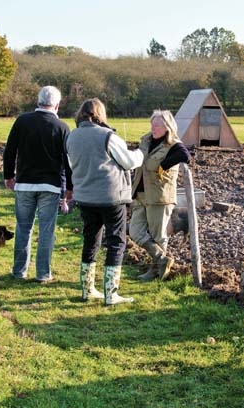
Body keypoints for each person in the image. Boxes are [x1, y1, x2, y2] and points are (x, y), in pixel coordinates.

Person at [65, 98, 143, 305]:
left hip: (85, 198)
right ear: (100, 114)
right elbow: (129, 162)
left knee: (91, 241)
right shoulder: (108, 136)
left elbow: (73, 164)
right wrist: (140, 153)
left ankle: (87, 289)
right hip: (111, 197)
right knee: (116, 242)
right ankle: (111, 293)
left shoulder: (72, 137)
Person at [3, 85, 72, 283]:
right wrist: (69, 188)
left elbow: (10, 150)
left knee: (23, 228)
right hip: (50, 186)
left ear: (38, 102)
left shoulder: (22, 121)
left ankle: (19, 271)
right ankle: (43, 273)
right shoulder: (62, 127)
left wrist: (9, 175)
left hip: (24, 184)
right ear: (57, 105)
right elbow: (68, 161)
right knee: (46, 231)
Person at [130, 110, 191, 281]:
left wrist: (163, 165)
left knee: (158, 236)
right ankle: (162, 260)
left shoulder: (173, 144)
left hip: (159, 197)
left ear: (167, 127)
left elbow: (185, 156)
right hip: (140, 194)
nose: (153, 127)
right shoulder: (146, 140)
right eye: (152, 124)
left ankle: (155, 271)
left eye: (158, 125)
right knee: (135, 231)